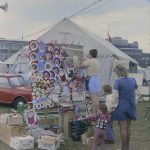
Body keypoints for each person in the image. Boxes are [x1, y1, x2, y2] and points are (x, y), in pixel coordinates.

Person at [112, 65, 138, 150]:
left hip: (122, 105)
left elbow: (115, 96)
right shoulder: (133, 80)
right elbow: (137, 93)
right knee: (128, 127)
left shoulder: (118, 81)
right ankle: (127, 147)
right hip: (131, 105)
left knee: (123, 127)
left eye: (116, 72)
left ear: (118, 72)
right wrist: (134, 102)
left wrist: (112, 106)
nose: (115, 73)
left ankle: (124, 148)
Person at [80, 49, 101, 114]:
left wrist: (80, 61)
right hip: (97, 78)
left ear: (90, 54)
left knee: (93, 97)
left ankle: (94, 113)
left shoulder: (89, 61)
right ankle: (97, 112)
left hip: (91, 79)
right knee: (96, 97)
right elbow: (88, 68)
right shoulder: (97, 61)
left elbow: (80, 66)